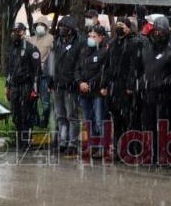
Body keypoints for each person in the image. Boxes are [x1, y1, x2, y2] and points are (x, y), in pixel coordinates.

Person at [136, 15, 171, 165]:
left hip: (163, 96)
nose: (158, 34)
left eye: (161, 32)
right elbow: (141, 69)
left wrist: (163, 83)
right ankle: (149, 153)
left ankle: (162, 154)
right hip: (147, 94)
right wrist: (140, 82)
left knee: (162, 125)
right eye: (156, 31)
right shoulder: (146, 49)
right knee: (148, 125)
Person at [102, 17, 140, 156]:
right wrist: (104, 84)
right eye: (117, 24)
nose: (119, 27)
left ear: (128, 28)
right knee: (116, 119)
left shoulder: (133, 43)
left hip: (125, 87)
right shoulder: (112, 43)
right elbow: (106, 65)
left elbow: (134, 66)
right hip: (113, 86)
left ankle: (129, 148)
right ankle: (118, 148)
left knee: (127, 119)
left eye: (122, 25)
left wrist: (130, 85)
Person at [51, 16, 85, 154]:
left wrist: (75, 81)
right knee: (60, 115)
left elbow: (79, 64)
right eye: (60, 26)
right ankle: (62, 142)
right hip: (57, 84)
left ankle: (73, 144)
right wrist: (50, 78)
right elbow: (52, 61)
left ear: (71, 29)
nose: (61, 29)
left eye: (64, 27)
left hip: (70, 85)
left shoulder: (79, 43)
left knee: (72, 115)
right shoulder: (58, 41)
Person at [6, 22, 41, 148]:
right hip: (14, 86)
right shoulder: (12, 49)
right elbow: (9, 69)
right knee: (16, 114)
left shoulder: (31, 49)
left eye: (18, 31)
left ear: (23, 32)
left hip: (27, 85)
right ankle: (19, 140)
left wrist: (35, 89)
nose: (15, 33)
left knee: (26, 113)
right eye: (14, 31)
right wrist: (7, 86)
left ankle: (26, 140)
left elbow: (37, 71)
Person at [76, 25, 109, 158]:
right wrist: (80, 82)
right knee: (88, 120)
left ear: (101, 38)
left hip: (96, 92)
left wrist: (90, 84)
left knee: (99, 119)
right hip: (84, 92)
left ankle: (103, 147)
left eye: (94, 36)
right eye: (90, 36)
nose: (91, 38)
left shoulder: (104, 52)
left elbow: (103, 72)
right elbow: (77, 69)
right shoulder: (84, 51)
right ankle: (92, 146)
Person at [28, 16, 54, 128]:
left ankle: (45, 120)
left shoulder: (51, 39)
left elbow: (53, 57)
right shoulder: (31, 39)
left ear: (46, 27)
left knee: (45, 101)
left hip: (44, 74)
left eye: (42, 25)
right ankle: (35, 119)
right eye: (38, 25)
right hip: (32, 74)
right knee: (32, 99)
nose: (39, 27)